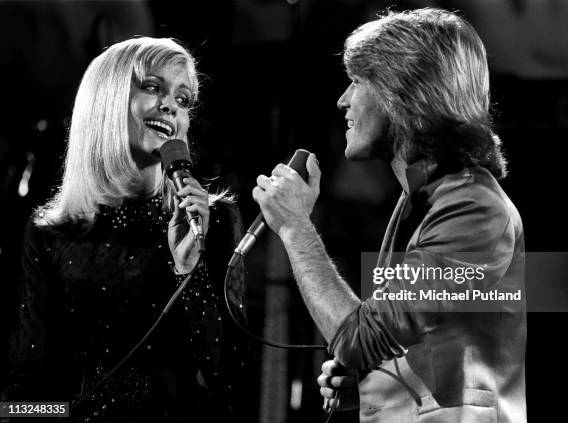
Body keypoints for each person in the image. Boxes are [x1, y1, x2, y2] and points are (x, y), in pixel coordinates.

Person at [253, 8, 526, 423]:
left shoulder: (473, 209)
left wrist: (295, 226)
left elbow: (359, 339)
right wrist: (370, 385)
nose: (343, 100)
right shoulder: (419, 199)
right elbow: (410, 336)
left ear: (400, 94)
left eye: (358, 82)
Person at [1, 37, 248, 422]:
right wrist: (59, 414)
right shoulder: (50, 234)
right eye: (152, 87)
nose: (170, 106)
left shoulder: (212, 224)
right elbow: (21, 392)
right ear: (106, 101)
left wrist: (189, 270)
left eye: (183, 100)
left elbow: (233, 382)